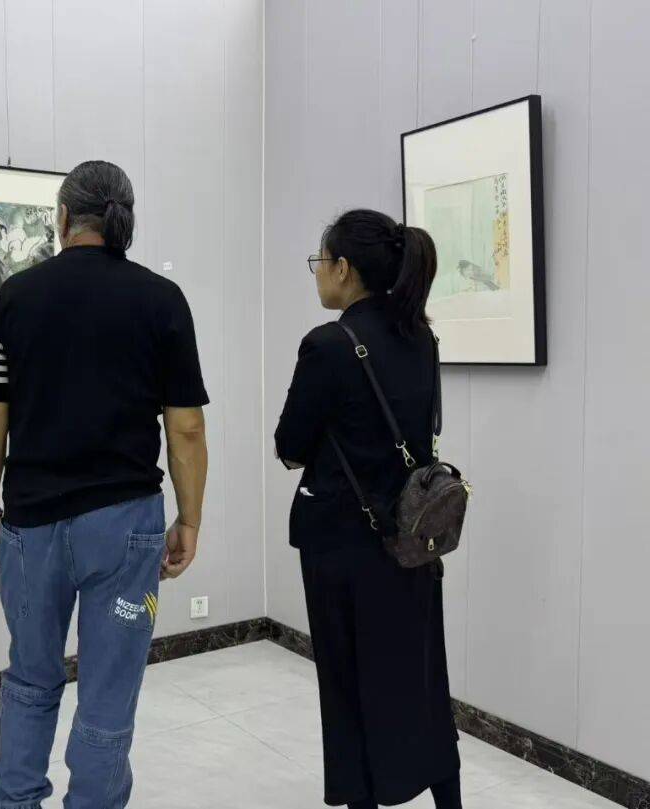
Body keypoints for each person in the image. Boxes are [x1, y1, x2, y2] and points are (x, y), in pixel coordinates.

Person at [0, 160, 209, 808]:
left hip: (31, 527)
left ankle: (16, 800)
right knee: (109, 691)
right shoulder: (162, 300)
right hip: (125, 526)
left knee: (30, 679)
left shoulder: (15, 297)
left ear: (63, 217)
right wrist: (190, 518)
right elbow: (185, 428)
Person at [274, 209, 462, 809]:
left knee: (349, 684)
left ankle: (364, 798)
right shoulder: (421, 337)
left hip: (341, 544)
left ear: (344, 269)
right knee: (422, 676)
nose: (317, 272)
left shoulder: (328, 345)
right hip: (411, 537)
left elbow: (289, 446)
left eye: (320, 261)